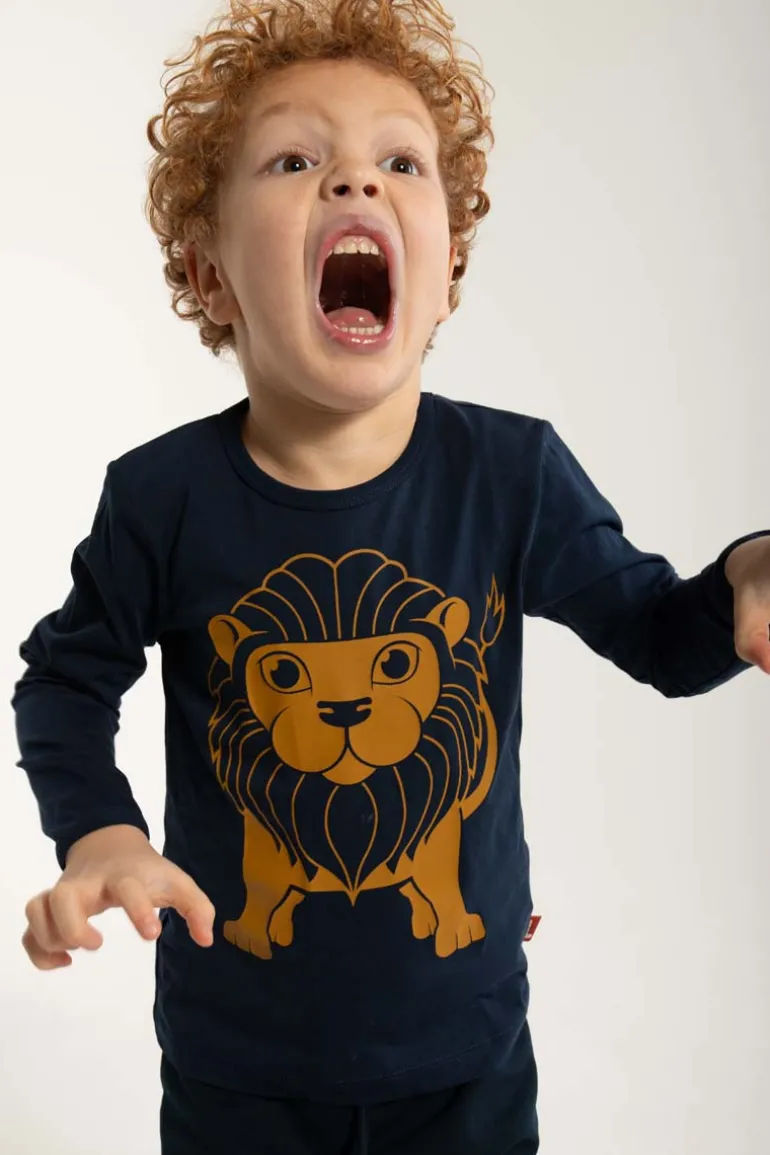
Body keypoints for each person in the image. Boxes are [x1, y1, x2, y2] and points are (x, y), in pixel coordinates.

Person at [11, 1, 770, 1153]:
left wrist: (743, 576)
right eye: (294, 159)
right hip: (235, 1064)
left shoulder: (511, 474)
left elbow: (660, 638)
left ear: (448, 267)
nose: (354, 181)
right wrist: (101, 837)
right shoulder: (161, 498)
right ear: (208, 275)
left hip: (464, 1056)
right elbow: (65, 684)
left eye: (399, 163)